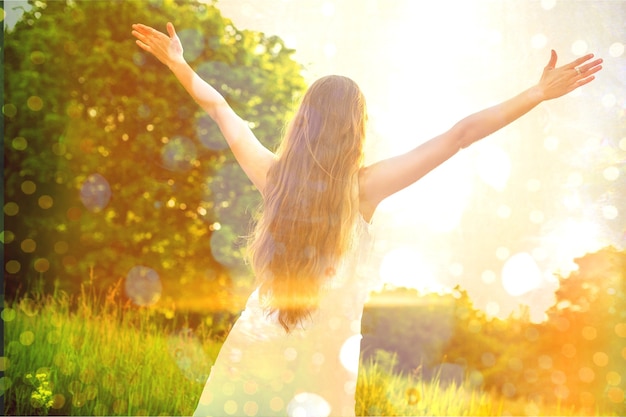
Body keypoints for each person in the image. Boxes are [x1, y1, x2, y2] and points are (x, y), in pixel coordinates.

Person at [131, 21, 602, 417]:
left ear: (303, 122)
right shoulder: (364, 190)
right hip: (322, 368)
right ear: (355, 129)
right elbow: (459, 135)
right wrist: (536, 93)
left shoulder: (272, 176)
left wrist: (179, 63)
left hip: (253, 348)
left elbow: (220, 110)